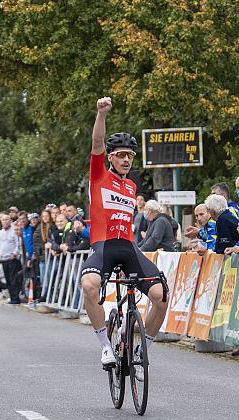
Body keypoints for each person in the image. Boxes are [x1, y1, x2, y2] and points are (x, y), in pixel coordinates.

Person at [80, 96, 168, 368]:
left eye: (130, 155)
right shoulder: (99, 177)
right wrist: (101, 114)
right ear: (111, 158)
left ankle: (143, 350)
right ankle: (106, 347)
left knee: (161, 296)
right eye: (121, 155)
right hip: (103, 247)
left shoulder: (131, 186)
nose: (126, 160)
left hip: (128, 248)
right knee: (89, 287)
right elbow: (96, 143)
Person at [0, 212, 22, 305]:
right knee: (7, 280)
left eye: (7, 219)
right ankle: (12, 297)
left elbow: (18, 243)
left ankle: (15, 298)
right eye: (3, 220)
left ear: (10, 220)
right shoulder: (2, 232)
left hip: (12, 259)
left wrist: (14, 253)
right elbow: (1, 245)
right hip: (4, 259)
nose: (5, 221)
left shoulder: (14, 230)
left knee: (13, 279)